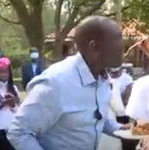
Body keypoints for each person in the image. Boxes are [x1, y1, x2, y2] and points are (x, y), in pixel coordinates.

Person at [7, 16, 129, 150]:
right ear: (94, 47)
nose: (122, 47)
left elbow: (94, 118)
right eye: (117, 40)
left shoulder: (102, 79)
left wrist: (122, 129)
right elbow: (18, 131)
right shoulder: (56, 82)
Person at [0, 57, 20, 150]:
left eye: (6, 71)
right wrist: (1, 105)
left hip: (12, 129)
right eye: (1, 71)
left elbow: (18, 111)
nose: (4, 74)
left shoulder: (14, 88)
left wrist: (13, 104)